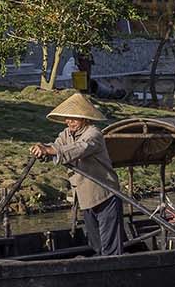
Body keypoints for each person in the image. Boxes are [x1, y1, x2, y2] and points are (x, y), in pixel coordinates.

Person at [31, 93, 125, 258]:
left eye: (74, 118)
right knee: (96, 243)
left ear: (85, 119)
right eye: (68, 118)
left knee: (110, 247)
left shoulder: (93, 133)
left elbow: (79, 149)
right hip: (85, 198)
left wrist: (50, 150)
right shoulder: (66, 134)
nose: (70, 122)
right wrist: (43, 148)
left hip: (105, 194)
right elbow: (56, 146)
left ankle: (112, 267)